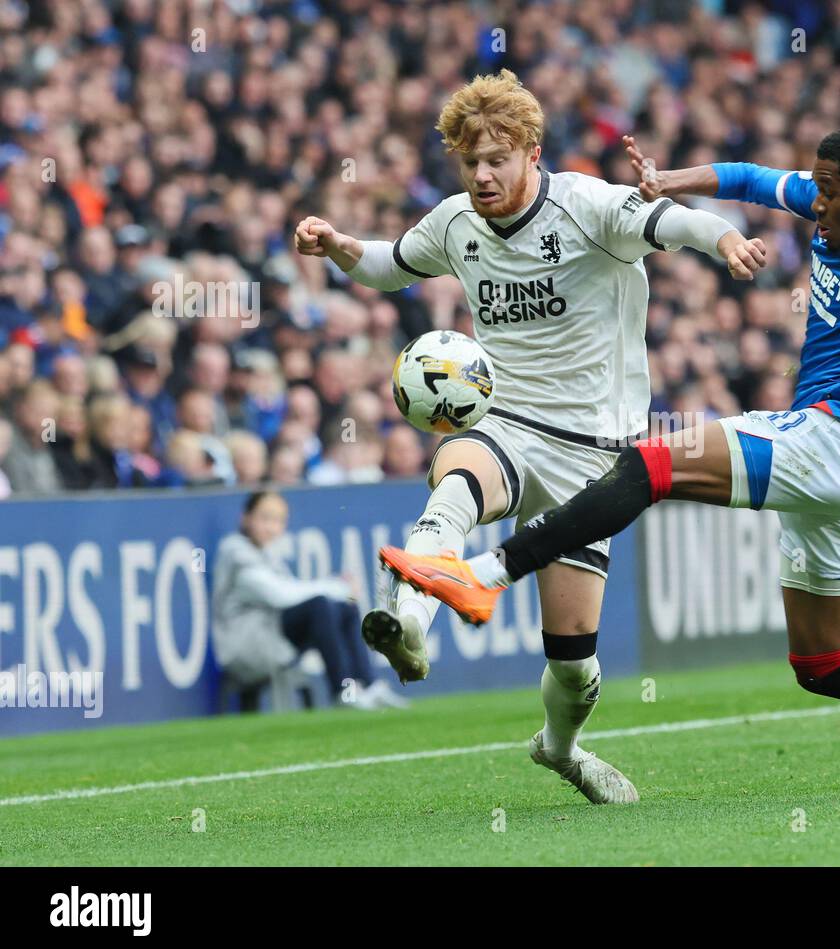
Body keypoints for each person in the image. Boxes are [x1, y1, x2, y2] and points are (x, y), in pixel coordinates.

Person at [382, 124, 840, 791]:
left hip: (831, 442)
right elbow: (752, 179)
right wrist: (670, 181)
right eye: (815, 185)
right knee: (825, 663)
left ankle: (481, 575)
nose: (817, 203)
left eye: (830, 192)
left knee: (648, 465)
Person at [294, 70, 767, 803]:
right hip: (504, 423)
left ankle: (562, 748)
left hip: (595, 453)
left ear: (532, 153)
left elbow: (672, 222)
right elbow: (393, 266)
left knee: (575, 667)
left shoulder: (587, 207)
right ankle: (410, 618)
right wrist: (339, 246)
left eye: (496, 160)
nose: (481, 176)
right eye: (469, 163)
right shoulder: (455, 222)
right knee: (455, 478)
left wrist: (726, 237)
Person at [212, 490, 406, 711]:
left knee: (345, 609)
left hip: (271, 637)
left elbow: (290, 591)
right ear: (245, 518)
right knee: (320, 606)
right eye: (264, 518)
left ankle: (368, 685)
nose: (271, 527)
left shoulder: (266, 554)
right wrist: (338, 586)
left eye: (278, 521)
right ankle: (342, 691)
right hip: (247, 650)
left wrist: (338, 591)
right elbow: (280, 595)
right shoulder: (235, 552)